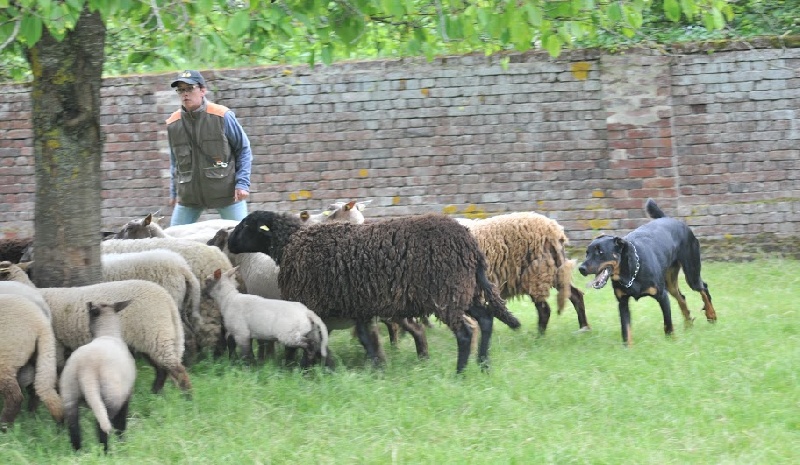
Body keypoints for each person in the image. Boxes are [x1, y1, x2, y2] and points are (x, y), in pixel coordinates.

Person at [165, 70, 252, 226]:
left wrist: (242, 184)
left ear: (203, 90)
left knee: (242, 238)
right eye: (181, 90)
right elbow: (174, 162)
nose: (185, 94)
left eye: (190, 88)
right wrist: (174, 192)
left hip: (226, 193)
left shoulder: (222, 116)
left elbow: (243, 149)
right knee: (173, 239)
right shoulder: (173, 123)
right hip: (189, 197)